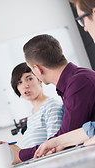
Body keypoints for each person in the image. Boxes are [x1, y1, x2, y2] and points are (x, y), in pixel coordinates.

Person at [0, 34, 95, 164]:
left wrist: (21, 154)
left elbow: (65, 137)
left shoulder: (78, 83)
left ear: (37, 70)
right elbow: (62, 138)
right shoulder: (74, 82)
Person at [32, 0, 95, 157]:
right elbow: (91, 128)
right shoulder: (72, 83)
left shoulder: (79, 81)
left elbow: (72, 130)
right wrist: (56, 142)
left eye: (82, 19)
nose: (85, 28)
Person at [10, 63, 63, 148]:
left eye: (29, 79)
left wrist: (20, 154)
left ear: (40, 80)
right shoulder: (32, 114)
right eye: (19, 82)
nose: (25, 86)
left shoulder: (51, 106)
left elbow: (54, 146)